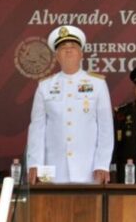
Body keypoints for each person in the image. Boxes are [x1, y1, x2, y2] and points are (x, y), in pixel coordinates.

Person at [26, 25, 113, 184]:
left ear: (81, 54)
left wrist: (102, 164)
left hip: (89, 168)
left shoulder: (97, 83)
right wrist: (34, 163)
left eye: (73, 47)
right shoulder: (45, 86)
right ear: (57, 56)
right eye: (62, 48)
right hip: (53, 169)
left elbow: (106, 128)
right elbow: (37, 129)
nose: (68, 50)